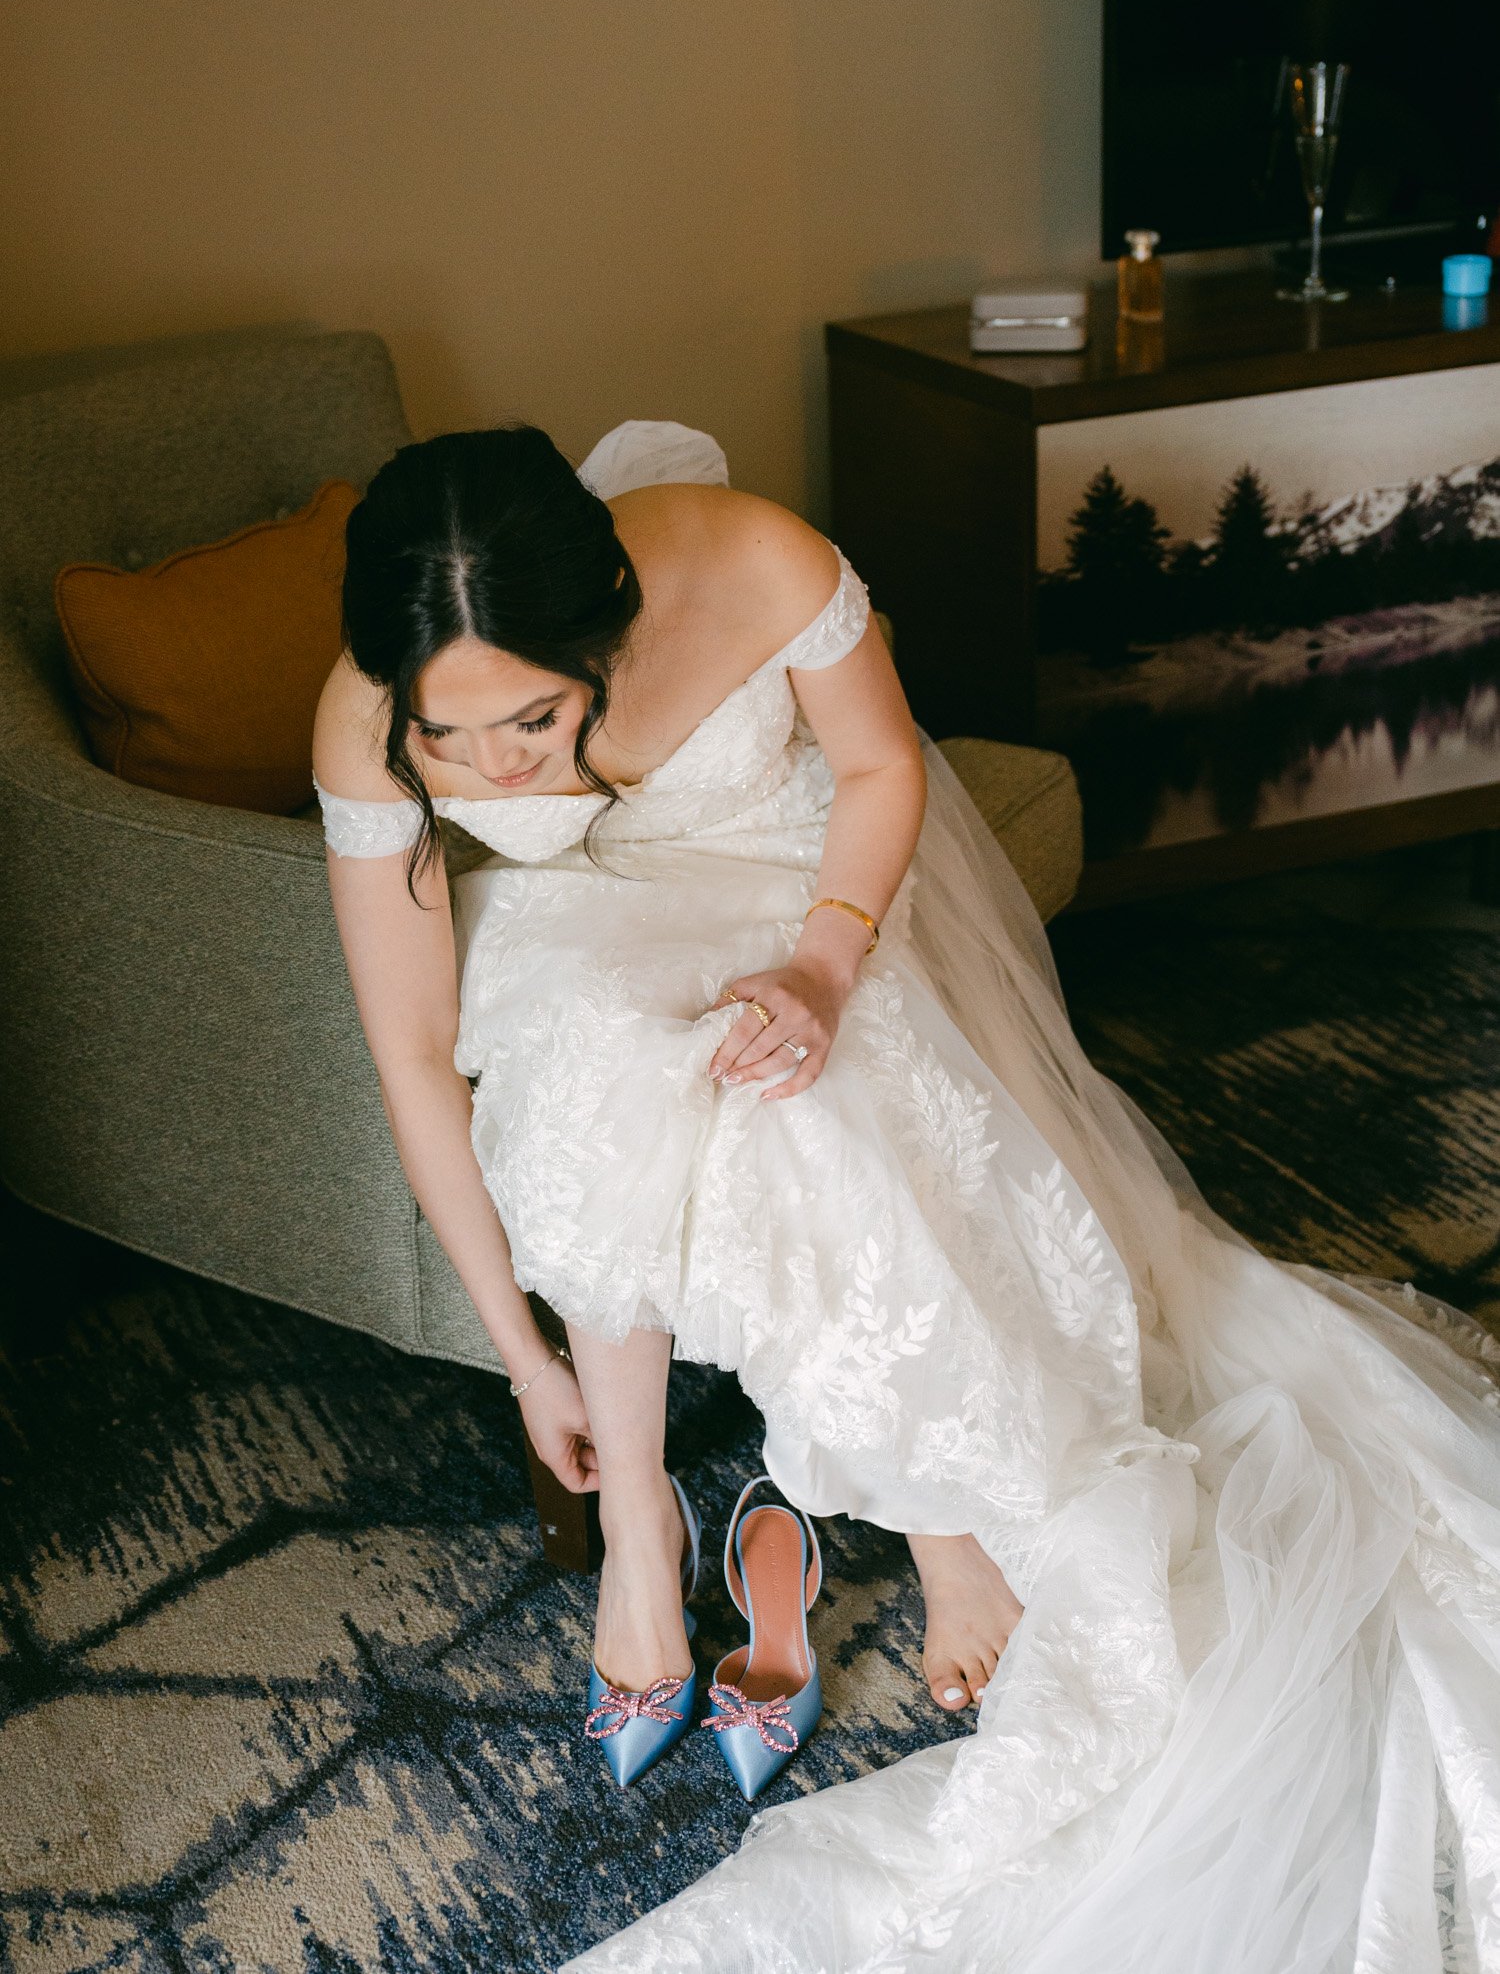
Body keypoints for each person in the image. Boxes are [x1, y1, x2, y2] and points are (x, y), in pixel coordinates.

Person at [314, 420, 1500, 1973]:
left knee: (814, 1104)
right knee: (592, 1080)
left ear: (603, 624)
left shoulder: (759, 560)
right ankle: (631, 1528)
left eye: (529, 720)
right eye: (447, 742)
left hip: (798, 872)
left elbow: (878, 765)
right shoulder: (363, 715)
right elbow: (414, 1055)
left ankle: (946, 1513)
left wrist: (820, 961)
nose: (492, 770)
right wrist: (517, 1355)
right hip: (579, 910)